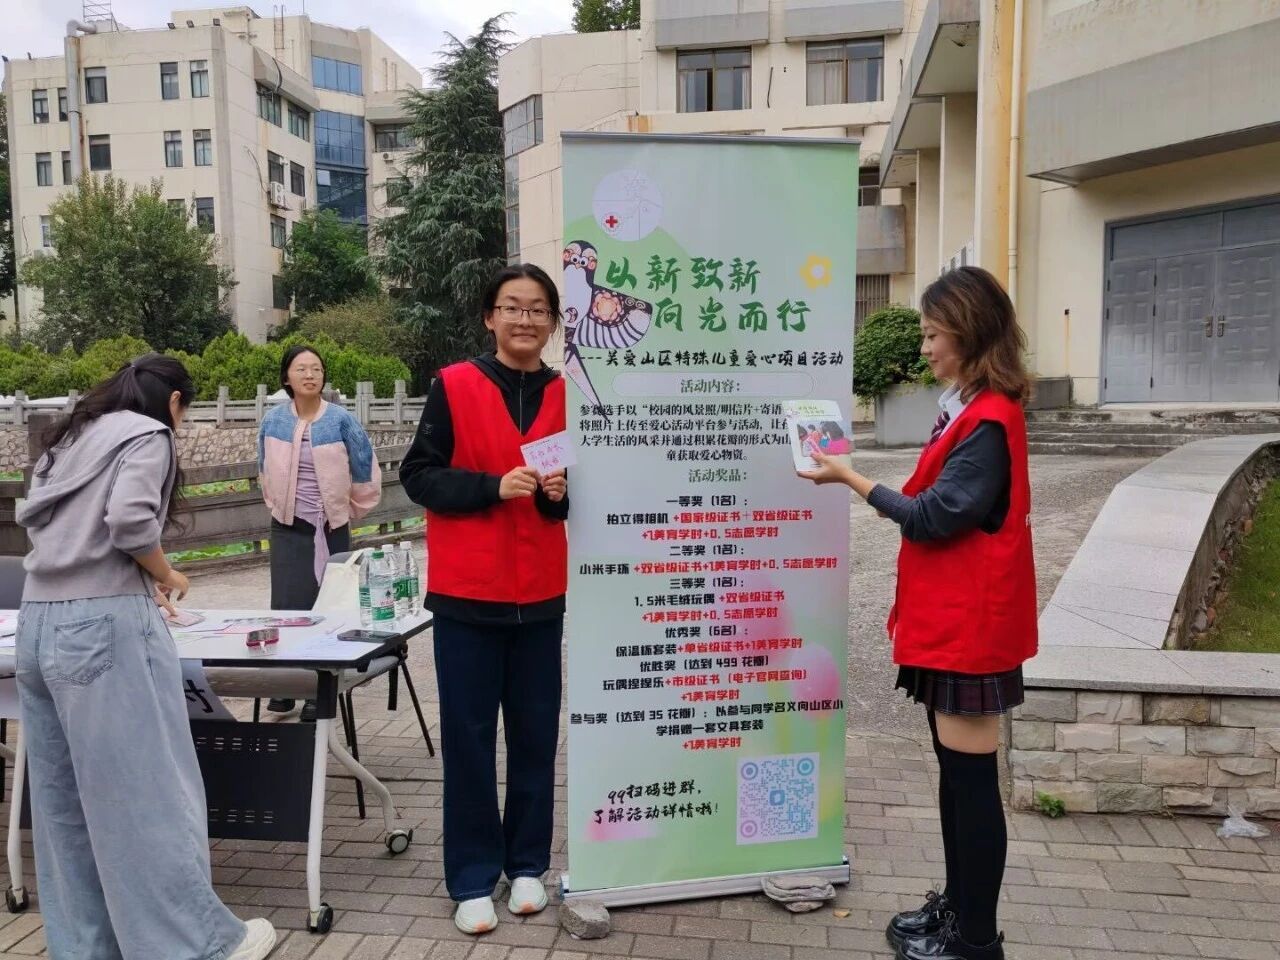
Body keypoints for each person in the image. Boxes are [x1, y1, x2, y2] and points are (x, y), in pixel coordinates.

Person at [799, 266, 1036, 960]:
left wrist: (849, 477)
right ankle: (957, 908)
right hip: (951, 622)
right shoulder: (967, 407)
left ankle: (976, 939)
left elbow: (932, 515)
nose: (925, 347)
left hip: (972, 629)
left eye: (934, 334)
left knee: (972, 784)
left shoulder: (989, 419)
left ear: (969, 333)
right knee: (955, 777)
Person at [15, 354, 277, 960]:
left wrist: (135, 578)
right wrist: (166, 572)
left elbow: (62, 529)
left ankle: (87, 948)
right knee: (145, 795)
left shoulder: (71, 436)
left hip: (38, 621)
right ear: (175, 402)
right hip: (103, 629)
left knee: (63, 807)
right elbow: (130, 522)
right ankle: (194, 947)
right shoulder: (148, 434)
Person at [400, 263, 569, 935]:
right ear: (489, 317)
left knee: (535, 737)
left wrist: (557, 498)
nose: (526, 319)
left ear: (552, 322)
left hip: (541, 598)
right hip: (467, 596)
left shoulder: (568, 394)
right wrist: (490, 486)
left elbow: (577, 499)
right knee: (469, 742)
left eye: (538, 309)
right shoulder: (455, 384)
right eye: (513, 306)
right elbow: (418, 476)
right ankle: (472, 877)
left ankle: (527, 866)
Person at [257, 345, 381, 720]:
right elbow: (263, 467)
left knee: (328, 608)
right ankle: (285, 685)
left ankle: (318, 689)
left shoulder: (341, 420)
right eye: (301, 369)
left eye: (316, 369)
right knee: (286, 608)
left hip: (331, 528)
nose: (310, 375)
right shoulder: (273, 421)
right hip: (288, 527)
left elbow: (364, 467)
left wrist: (344, 511)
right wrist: (278, 504)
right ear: (286, 377)